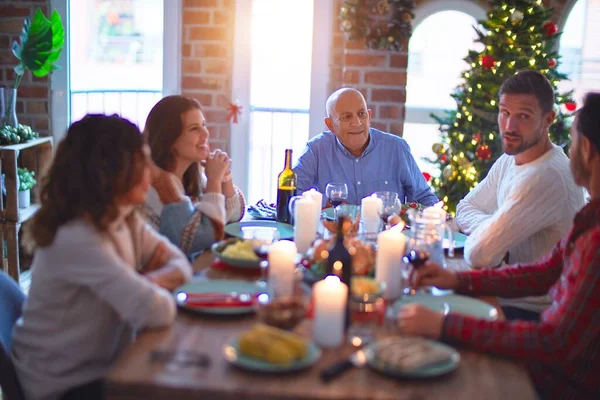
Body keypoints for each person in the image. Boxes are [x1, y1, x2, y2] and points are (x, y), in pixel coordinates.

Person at [397, 92, 600, 400]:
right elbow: (543, 271)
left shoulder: (595, 239)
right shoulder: (591, 216)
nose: (567, 151)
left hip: (559, 384)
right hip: (548, 357)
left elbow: (554, 341)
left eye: (571, 141)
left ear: (585, 148)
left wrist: (445, 325)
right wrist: (457, 279)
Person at [11, 115, 193, 400]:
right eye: (141, 160)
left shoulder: (121, 218)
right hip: (61, 386)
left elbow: (182, 266)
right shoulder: (77, 237)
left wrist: (141, 283)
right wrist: (144, 289)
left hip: (103, 369)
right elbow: (159, 311)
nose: (152, 170)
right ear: (109, 170)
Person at [454, 70, 584, 320]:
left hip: (536, 311)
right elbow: (465, 207)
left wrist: (495, 238)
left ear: (548, 119)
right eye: (505, 113)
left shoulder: (546, 175)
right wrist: (497, 230)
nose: (509, 126)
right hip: (508, 293)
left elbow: (478, 254)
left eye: (523, 116)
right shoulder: (511, 158)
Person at [293, 88, 438, 206]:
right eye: (346, 117)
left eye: (361, 114)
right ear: (330, 125)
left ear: (369, 116)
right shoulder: (316, 150)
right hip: (333, 237)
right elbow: (292, 195)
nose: (356, 123)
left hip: (385, 237)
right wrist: (324, 202)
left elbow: (424, 198)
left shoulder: (396, 148)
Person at [139, 95, 245, 258]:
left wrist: (225, 177)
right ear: (170, 138)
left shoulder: (193, 173)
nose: (206, 134)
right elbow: (206, 235)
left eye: (204, 125)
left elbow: (233, 215)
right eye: (194, 128)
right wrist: (215, 180)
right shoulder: (159, 186)